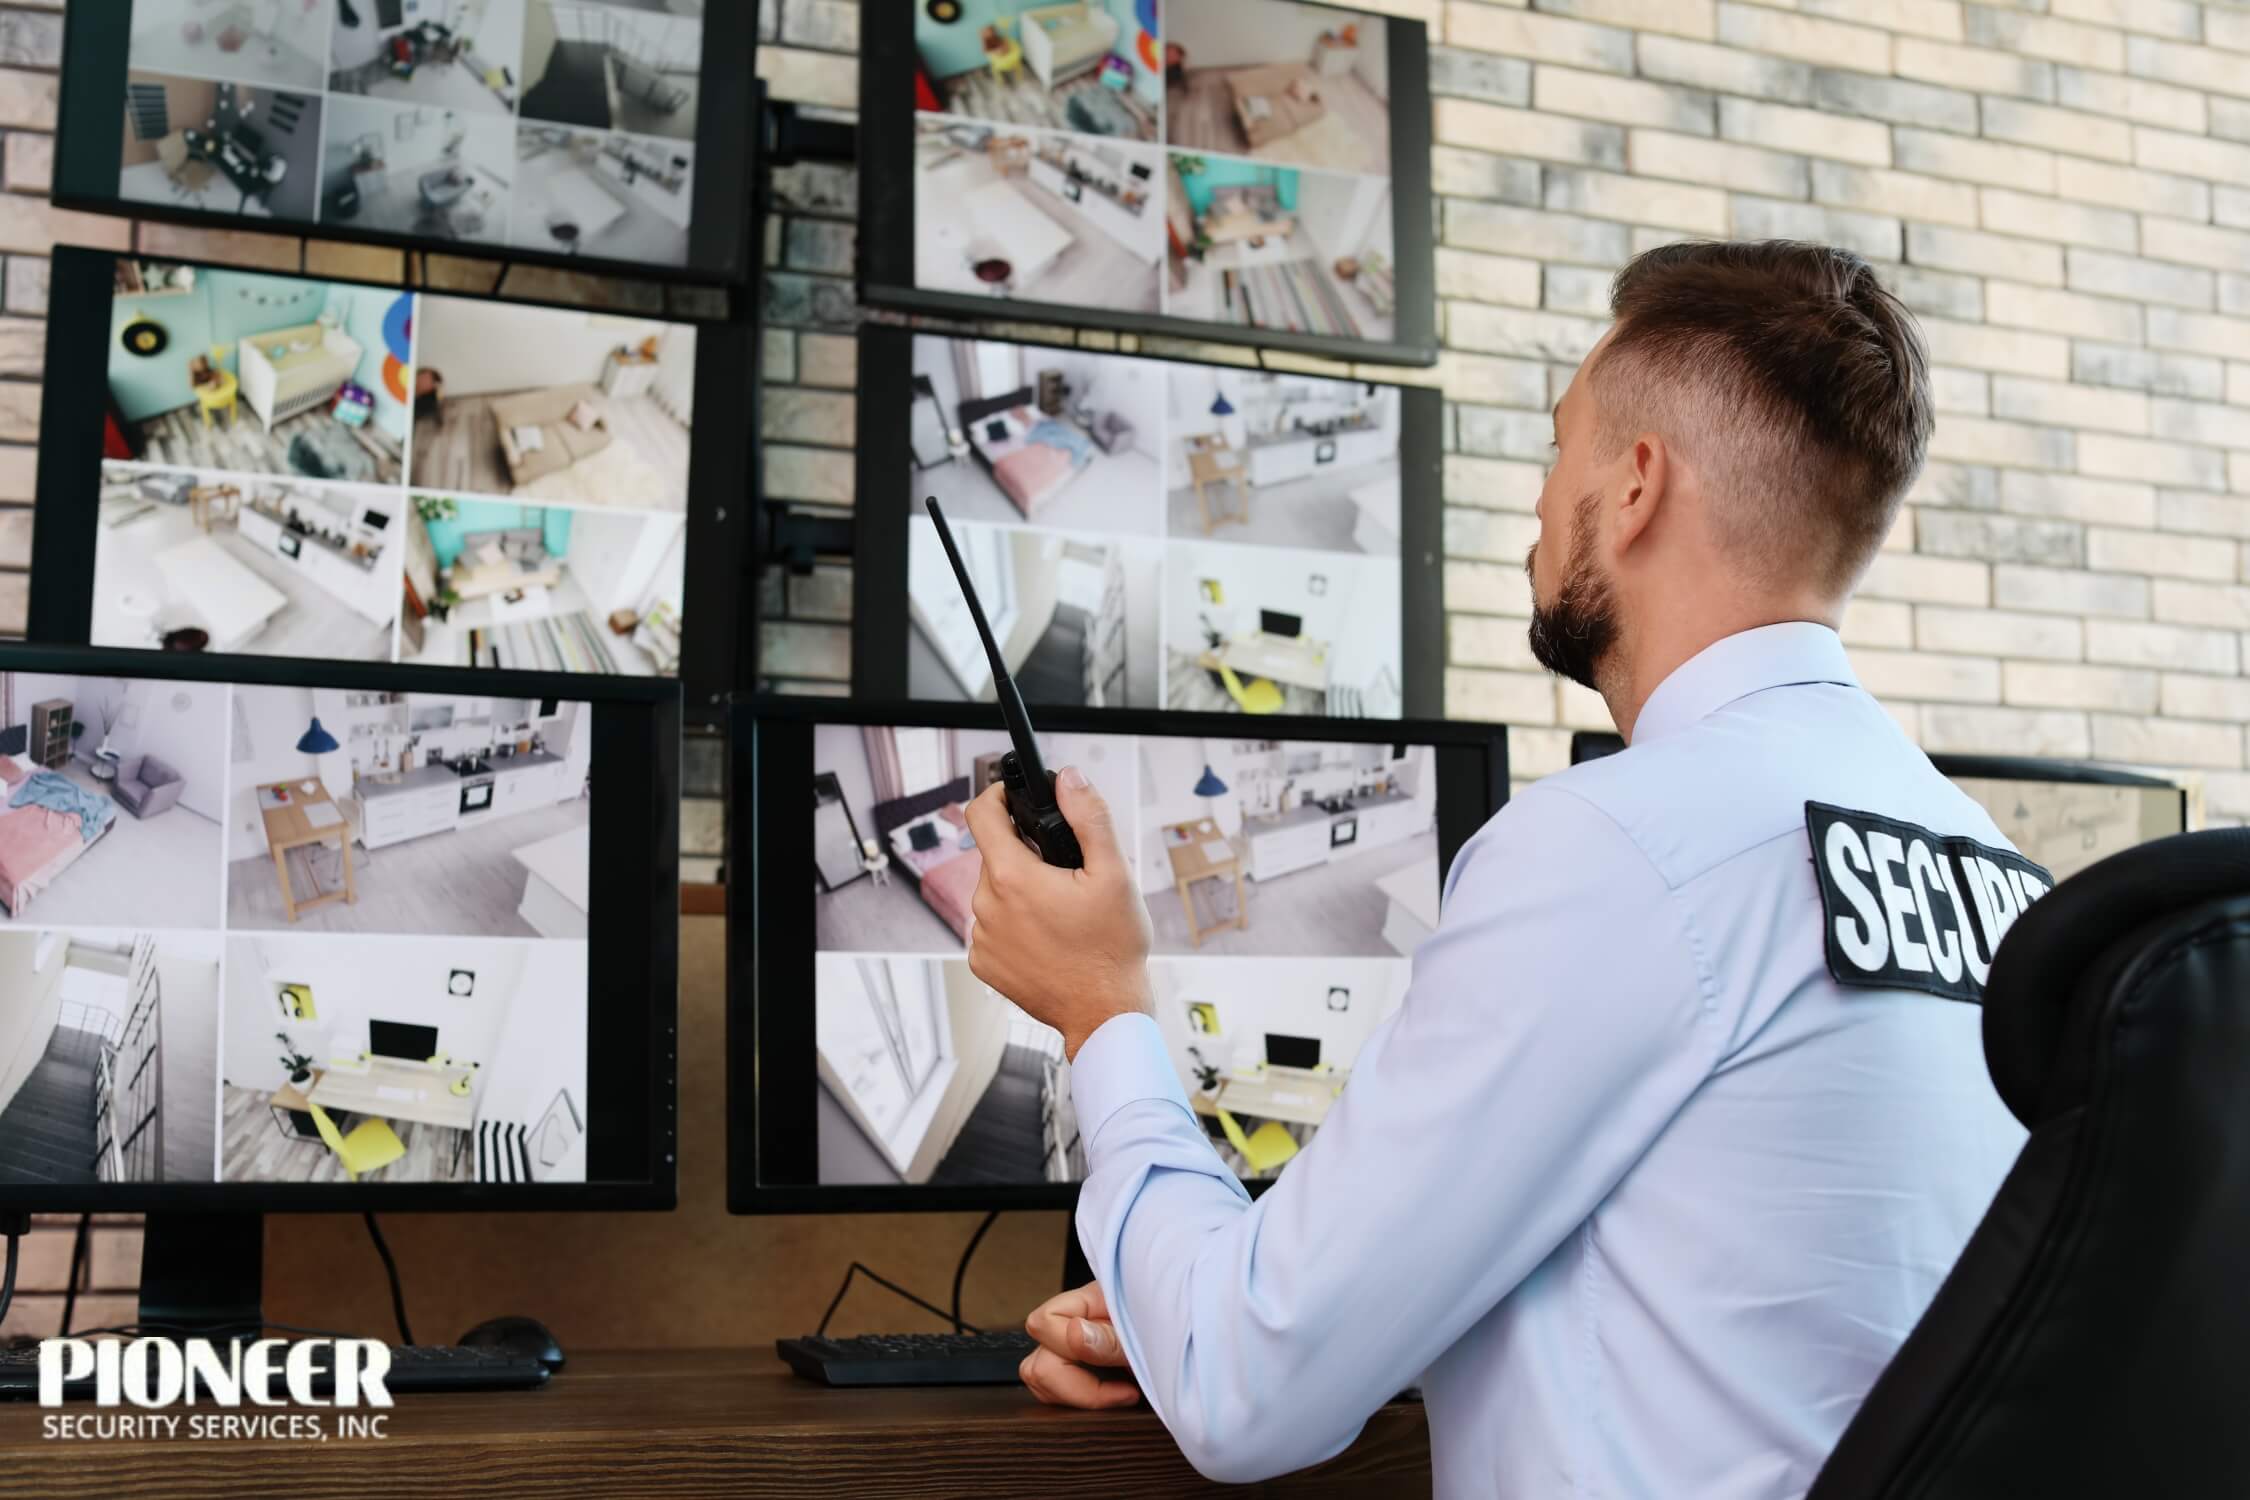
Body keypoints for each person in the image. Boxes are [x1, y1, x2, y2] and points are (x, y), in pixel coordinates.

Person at [960, 241, 2052, 1496]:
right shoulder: (1998, 874)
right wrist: (1218, 1303)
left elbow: (1240, 1388)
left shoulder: (1616, 844)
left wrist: (1099, 1004)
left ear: (1635, 487)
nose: (1540, 506)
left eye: (1558, 447)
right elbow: (1741, 1314)